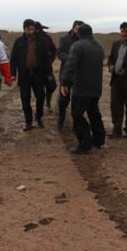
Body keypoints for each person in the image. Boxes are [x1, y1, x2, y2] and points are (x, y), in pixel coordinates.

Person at [60, 23, 106, 154]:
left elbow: (70, 64)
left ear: (79, 34)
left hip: (82, 88)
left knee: (77, 115)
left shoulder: (77, 45)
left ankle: (85, 144)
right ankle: (99, 140)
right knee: (94, 113)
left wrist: (64, 82)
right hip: (96, 88)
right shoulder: (99, 46)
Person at [10, 19, 53, 131]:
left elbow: (47, 58)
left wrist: (49, 73)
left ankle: (38, 117)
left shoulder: (41, 41)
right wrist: (13, 73)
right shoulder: (18, 41)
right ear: (24, 29)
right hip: (24, 75)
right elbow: (13, 59)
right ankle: (28, 121)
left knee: (40, 97)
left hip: (38, 74)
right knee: (25, 99)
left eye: (32, 29)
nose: (31, 31)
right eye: (28, 29)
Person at [56, 20, 84, 129]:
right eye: (77, 29)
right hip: (66, 73)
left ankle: (75, 122)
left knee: (77, 100)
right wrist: (71, 59)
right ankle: (61, 117)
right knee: (63, 99)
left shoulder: (85, 39)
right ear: (73, 28)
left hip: (80, 74)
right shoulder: (65, 39)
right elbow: (59, 52)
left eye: (81, 29)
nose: (78, 31)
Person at [35, 21, 57, 112]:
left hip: (46, 68)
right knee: (38, 91)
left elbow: (54, 50)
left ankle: (47, 103)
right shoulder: (30, 38)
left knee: (51, 86)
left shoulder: (47, 38)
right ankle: (39, 108)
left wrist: (50, 60)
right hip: (35, 69)